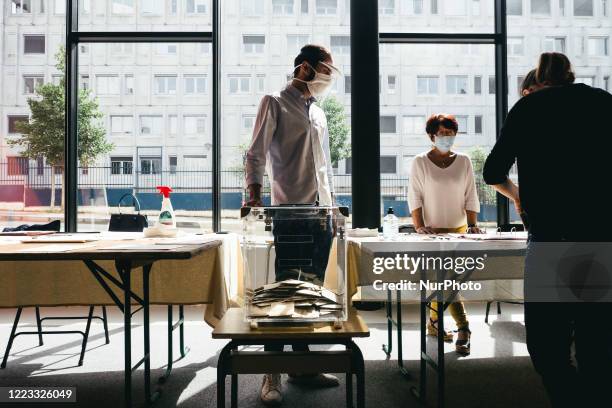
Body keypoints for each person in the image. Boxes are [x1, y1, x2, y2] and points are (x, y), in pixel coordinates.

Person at [483, 52, 612, 407]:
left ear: (537, 81)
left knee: (547, 346)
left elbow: (493, 172)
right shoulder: (604, 103)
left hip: (550, 242)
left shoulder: (528, 109)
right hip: (599, 239)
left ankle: (569, 400)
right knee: (596, 343)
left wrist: (520, 198)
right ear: (570, 76)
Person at [244, 44, 342, 406]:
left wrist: (333, 211)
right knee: (285, 293)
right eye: (325, 70)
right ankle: (271, 373)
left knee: (310, 293)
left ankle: (301, 365)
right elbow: (254, 153)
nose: (328, 78)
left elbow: (324, 166)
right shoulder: (274, 101)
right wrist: (253, 196)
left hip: (321, 213)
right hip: (290, 211)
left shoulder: (319, 113)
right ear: (304, 68)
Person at [408, 113, 482, 355]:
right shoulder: (420, 162)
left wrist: (472, 225)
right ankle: (464, 328)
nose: (447, 138)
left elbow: (470, 194)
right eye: (442, 134)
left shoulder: (464, 161)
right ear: (432, 136)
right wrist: (419, 226)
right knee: (444, 281)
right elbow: (415, 196)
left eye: (451, 134)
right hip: (431, 232)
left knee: (445, 281)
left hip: (459, 231)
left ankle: (433, 323)